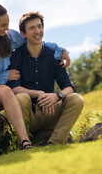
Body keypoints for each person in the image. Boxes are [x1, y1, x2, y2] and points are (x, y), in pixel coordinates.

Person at [0, 1, 70, 160]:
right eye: (3, 24)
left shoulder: (10, 37)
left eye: (8, 23)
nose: (7, 27)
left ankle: (25, 142)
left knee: (6, 91)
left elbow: (35, 42)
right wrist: (3, 76)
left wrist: (61, 50)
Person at [7, 11, 84, 145]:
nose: (37, 31)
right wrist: (37, 93)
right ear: (23, 34)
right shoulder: (16, 57)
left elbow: (68, 88)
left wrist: (57, 95)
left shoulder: (54, 55)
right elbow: (13, 88)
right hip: (27, 116)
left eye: (39, 26)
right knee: (21, 97)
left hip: (50, 112)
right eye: (32, 28)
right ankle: (24, 143)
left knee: (76, 99)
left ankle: (55, 143)